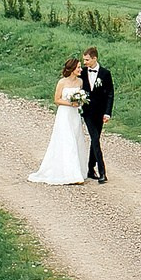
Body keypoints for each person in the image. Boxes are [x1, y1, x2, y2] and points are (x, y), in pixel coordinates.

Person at [26, 57, 89, 185]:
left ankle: (77, 171)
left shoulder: (80, 82)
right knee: (67, 141)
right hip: (65, 114)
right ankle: (69, 174)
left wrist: (79, 102)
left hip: (75, 115)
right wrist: (70, 103)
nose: (80, 69)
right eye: (78, 67)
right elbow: (57, 100)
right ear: (72, 69)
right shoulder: (62, 82)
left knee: (76, 139)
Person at [79, 46, 114, 183]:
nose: (85, 62)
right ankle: (102, 172)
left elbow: (110, 94)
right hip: (87, 112)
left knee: (95, 139)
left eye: (87, 60)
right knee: (95, 138)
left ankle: (89, 168)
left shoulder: (105, 73)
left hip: (100, 113)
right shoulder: (81, 72)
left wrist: (107, 113)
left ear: (95, 58)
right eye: (84, 60)